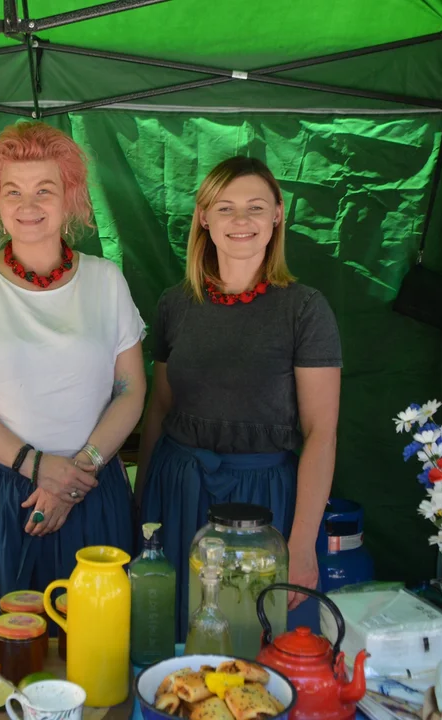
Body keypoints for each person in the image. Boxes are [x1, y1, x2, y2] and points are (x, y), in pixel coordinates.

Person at [0, 121, 146, 595]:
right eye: (13, 192)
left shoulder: (106, 281)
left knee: (96, 644)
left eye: (44, 190)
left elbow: (131, 390)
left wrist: (76, 473)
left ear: (69, 197)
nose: (28, 206)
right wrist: (34, 465)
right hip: (0, 490)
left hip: (93, 484)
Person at [137, 156, 342, 637]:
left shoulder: (305, 309)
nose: (241, 220)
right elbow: (159, 410)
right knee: (175, 641)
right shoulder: (175, 303)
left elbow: (321, 432)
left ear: (277, 215)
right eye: (225, 208)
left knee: (254, 644)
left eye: (255, 206)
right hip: (178, 492)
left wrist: (301, 544)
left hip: (263, 504)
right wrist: (142, 503)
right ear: (204, 218)